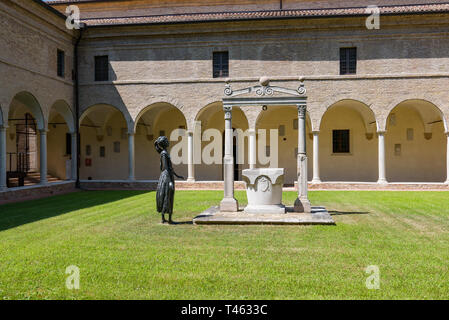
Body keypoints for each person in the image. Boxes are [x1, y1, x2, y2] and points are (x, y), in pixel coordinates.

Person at [154, 136, 185, 224]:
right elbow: (166, 168)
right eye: (166, 141)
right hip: (166, 177)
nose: (168, 142)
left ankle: (165, 218)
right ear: (164, 143)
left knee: (167, 196)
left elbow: (170, 168)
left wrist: (177, 176)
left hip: (167, 176)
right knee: (167, 196)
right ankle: (167, 219)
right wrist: (170, 181)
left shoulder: (164, 152)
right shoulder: (164, 153)